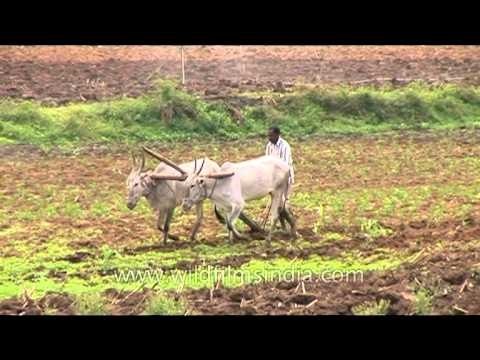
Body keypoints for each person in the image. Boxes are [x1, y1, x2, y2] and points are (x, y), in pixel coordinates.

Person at [265, 126, 294, 196]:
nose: (269, 138)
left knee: (285, 199)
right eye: (268, 136)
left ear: (277, 135)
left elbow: (285, 164)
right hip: (274, 176)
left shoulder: (285, 146)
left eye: (271, 136)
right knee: (275, 198)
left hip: (285, 175)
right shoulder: (269, 145)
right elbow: (267, 160)